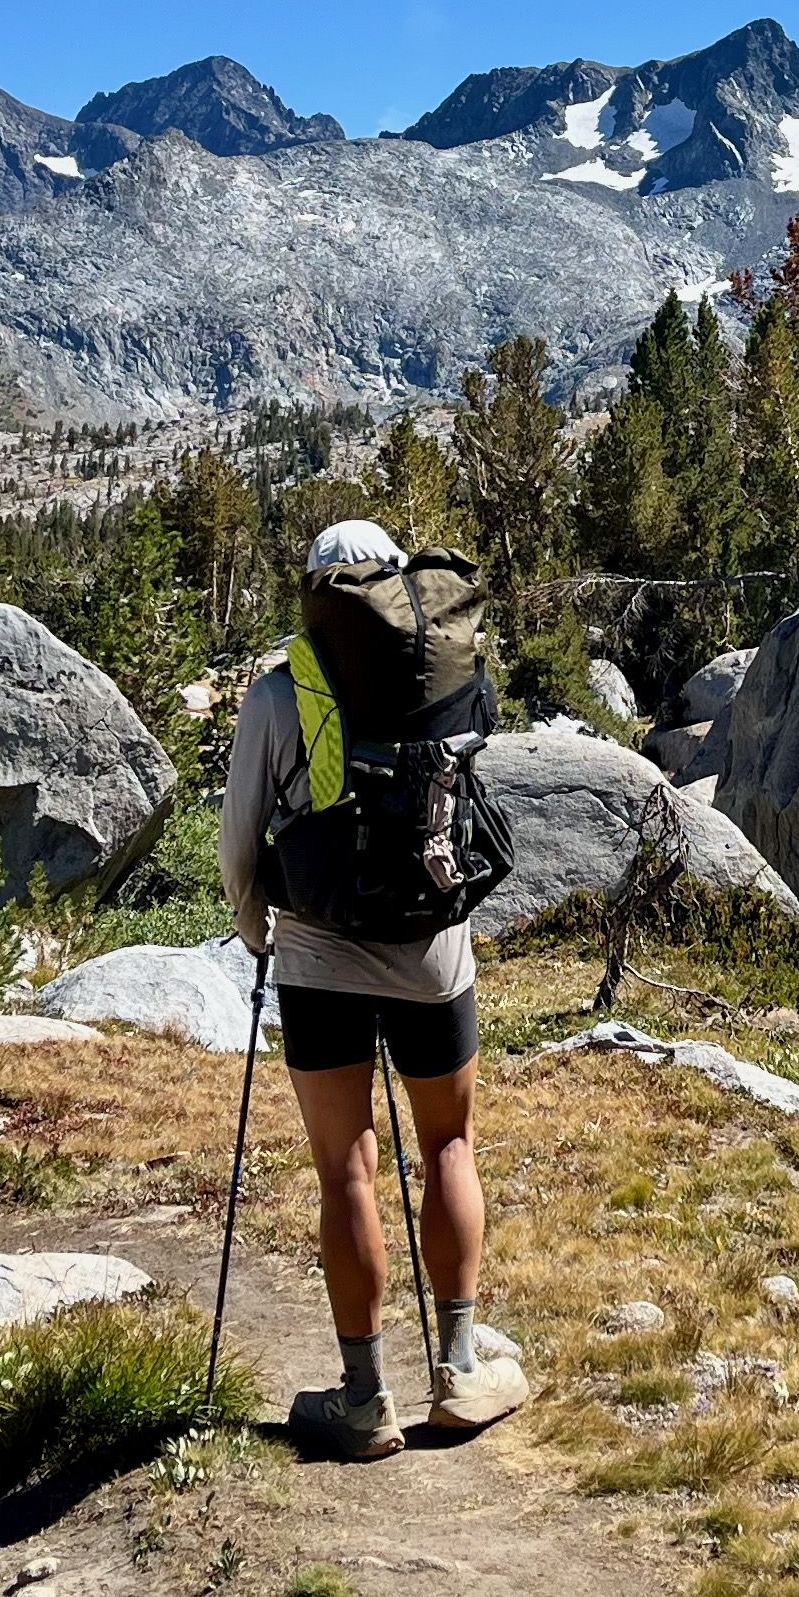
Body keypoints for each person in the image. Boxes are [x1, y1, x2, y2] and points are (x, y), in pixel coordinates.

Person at [222, 516, 531, 1458]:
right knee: (448, 1143)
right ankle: (458, 1367)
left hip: (319, 955)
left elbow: (241, 843)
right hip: (434, 949)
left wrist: (253, 925)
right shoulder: (448, 670)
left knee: (346, 1166)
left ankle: (364, 1399)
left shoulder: (281, 694)